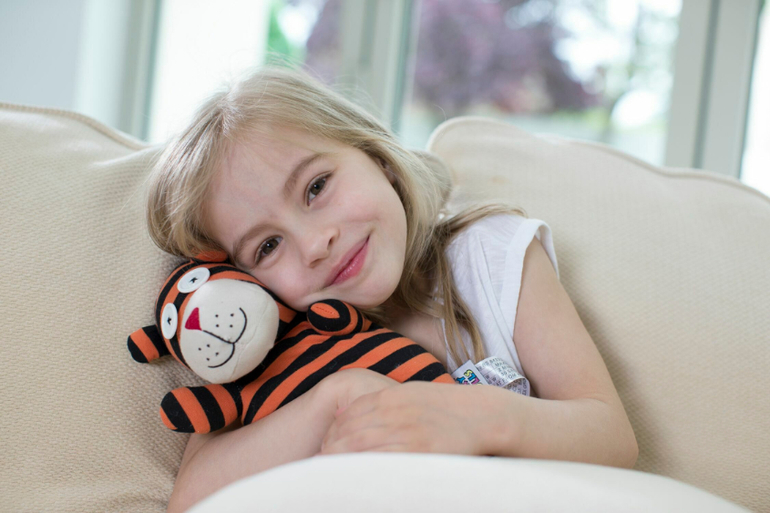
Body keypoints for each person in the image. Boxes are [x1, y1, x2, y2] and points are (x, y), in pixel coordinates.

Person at [146, 65, 638, 512]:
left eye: (316, 187)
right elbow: (191, 500)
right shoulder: (269, 343)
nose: (315, 244)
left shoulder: (488, 255)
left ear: (376, 156)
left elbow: (612, 437)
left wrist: (476, 419)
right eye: (268, 246)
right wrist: (335, 398)